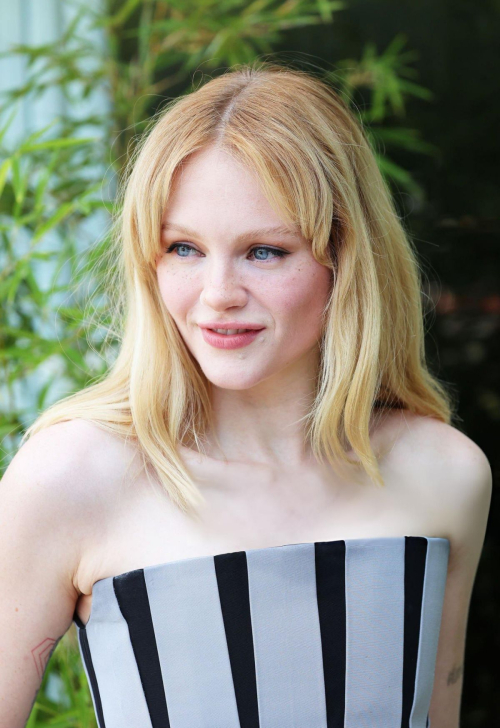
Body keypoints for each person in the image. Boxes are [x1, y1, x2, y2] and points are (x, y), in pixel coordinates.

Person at [0, 61, 492, 728]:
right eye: (182, 248)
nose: (218, 294)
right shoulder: (71, 477)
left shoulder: (443, 474)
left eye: (263, 251)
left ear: (348, 259)